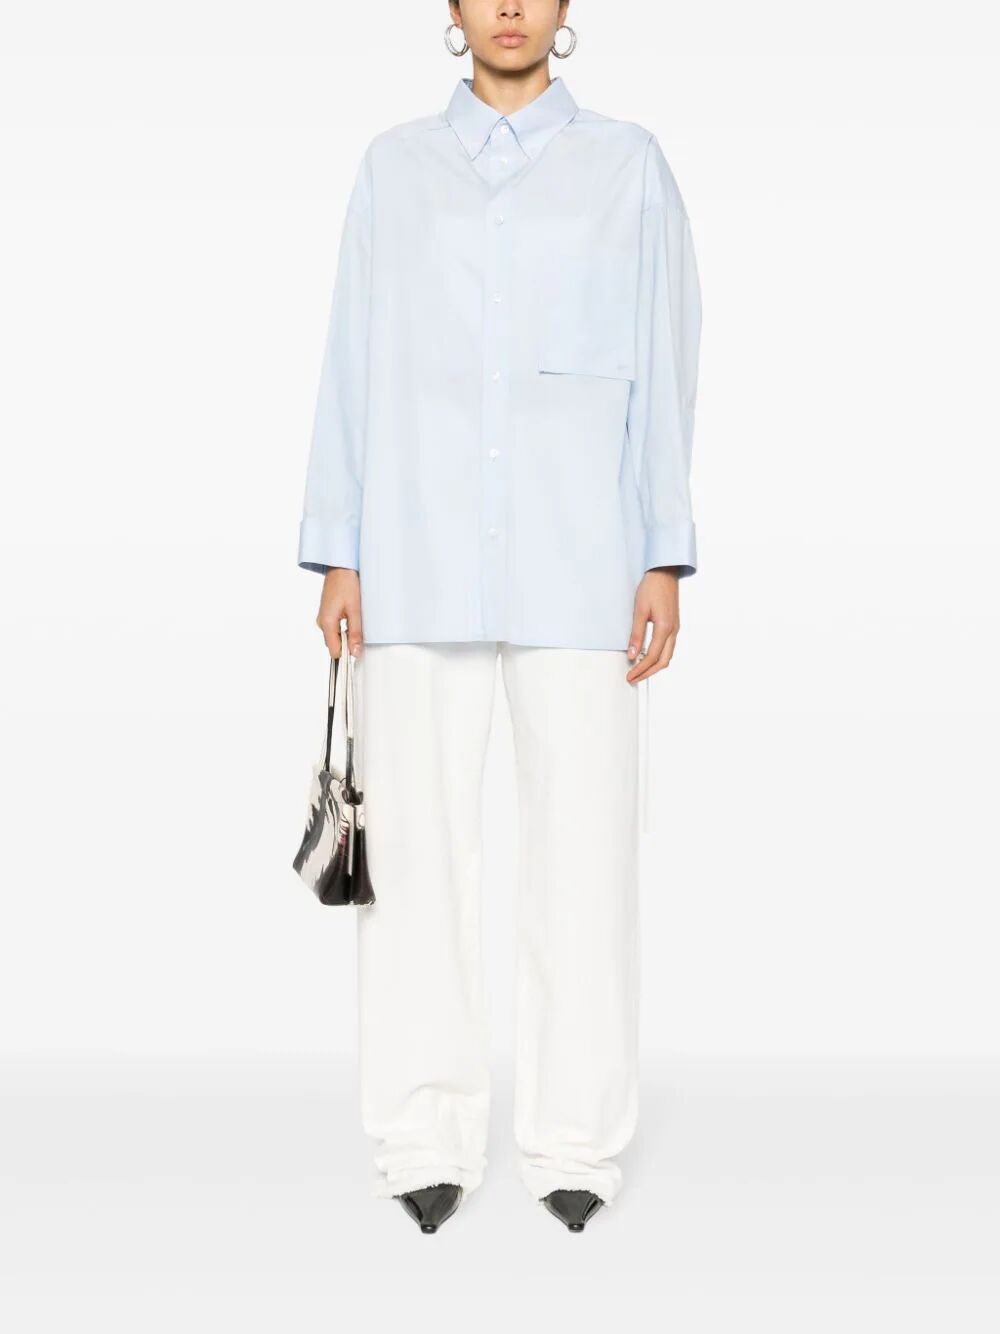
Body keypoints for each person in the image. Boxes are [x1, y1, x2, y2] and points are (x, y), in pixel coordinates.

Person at [297, 0, 701, 1234]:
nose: (510, 7)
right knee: (415, 861)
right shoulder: (393, 171)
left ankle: (575, 1138)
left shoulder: (628, 167)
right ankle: (423, 1130)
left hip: (581, 560)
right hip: (413, 552)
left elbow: (666, 360)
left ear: (567, 6)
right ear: (452, 6)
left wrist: (661, 549)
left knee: (585, 856)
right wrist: (339, 547)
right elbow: (351, 361)